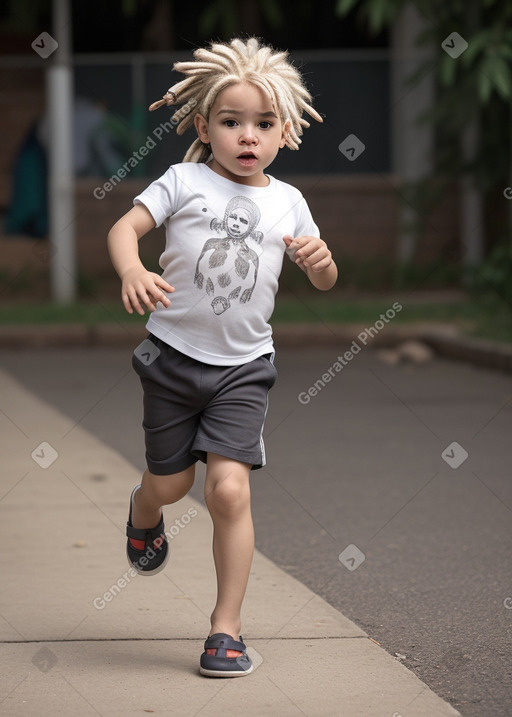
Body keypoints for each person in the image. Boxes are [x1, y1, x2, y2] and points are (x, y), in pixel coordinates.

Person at [107, 37, 338, 678]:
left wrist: (322, 265)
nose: (247, 135)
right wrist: (132, 269)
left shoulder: (288, 200)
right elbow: (124, 228)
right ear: (204, 125)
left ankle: (225, 630)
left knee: (228, 492)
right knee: (173, 483)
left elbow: (323, 277)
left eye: (264, 124)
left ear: (286, 131)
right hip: (173, 357)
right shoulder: (183, 179)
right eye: (231, 121)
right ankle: (144, 509)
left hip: (243, 368)